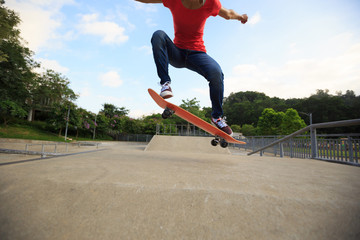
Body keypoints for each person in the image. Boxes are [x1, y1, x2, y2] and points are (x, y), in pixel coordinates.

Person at [135, 0, 248, 136]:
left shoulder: (211, 3)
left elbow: (228, 14)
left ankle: (216, 117)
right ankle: (165, 83)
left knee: (216, 73)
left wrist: (241, 17)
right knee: (158, 35)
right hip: (177, 53)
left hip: (197, 54)